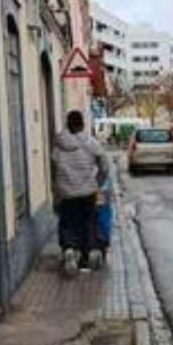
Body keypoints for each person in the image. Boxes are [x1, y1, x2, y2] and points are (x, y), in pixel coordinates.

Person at [52, 109, 110, 275]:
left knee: (68, 223)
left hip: (66, 192)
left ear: (67, 124)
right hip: (87, 192)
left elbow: (53, 167)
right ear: (82, 124)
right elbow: (105, 165)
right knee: (88, 222)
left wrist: (56, 188)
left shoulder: (58, 145)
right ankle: (89, 253)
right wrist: (98, 181)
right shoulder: (91, 143)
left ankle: (70, 249)